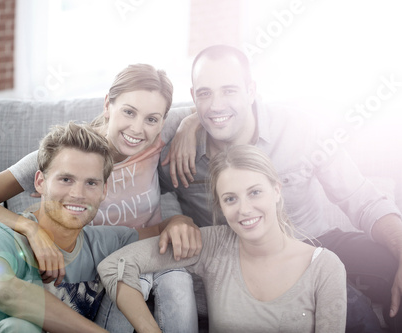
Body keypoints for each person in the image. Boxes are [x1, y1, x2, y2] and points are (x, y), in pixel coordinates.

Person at [159, 44, 402, 332]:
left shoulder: (301, 128)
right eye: (205, 93)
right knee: (347, 306)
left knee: (390, 266)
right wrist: (175, 217)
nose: (215, 104)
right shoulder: (171, 138)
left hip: (316, 241)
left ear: (251, 91)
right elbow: (150, 185)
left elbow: (362, 198)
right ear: (193, 97)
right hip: (249, 263)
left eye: (229, 90)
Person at [0, 64, 200, 332]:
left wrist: (190, 125)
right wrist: (30, 228)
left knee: (176, 280)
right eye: (128, 112)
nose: (138, 128)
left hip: (135, 253)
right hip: (97, 265)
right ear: (108, 105)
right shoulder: (69, 153)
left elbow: (217, 106)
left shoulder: (160, 134)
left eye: (152, 119)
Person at [98, 144, 347, 332]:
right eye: (230, 199)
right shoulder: (212, 245)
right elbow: (115, 265)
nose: (244, 209)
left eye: (255, 192)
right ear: (220, 206)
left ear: (277, 190)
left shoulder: (325, 267)